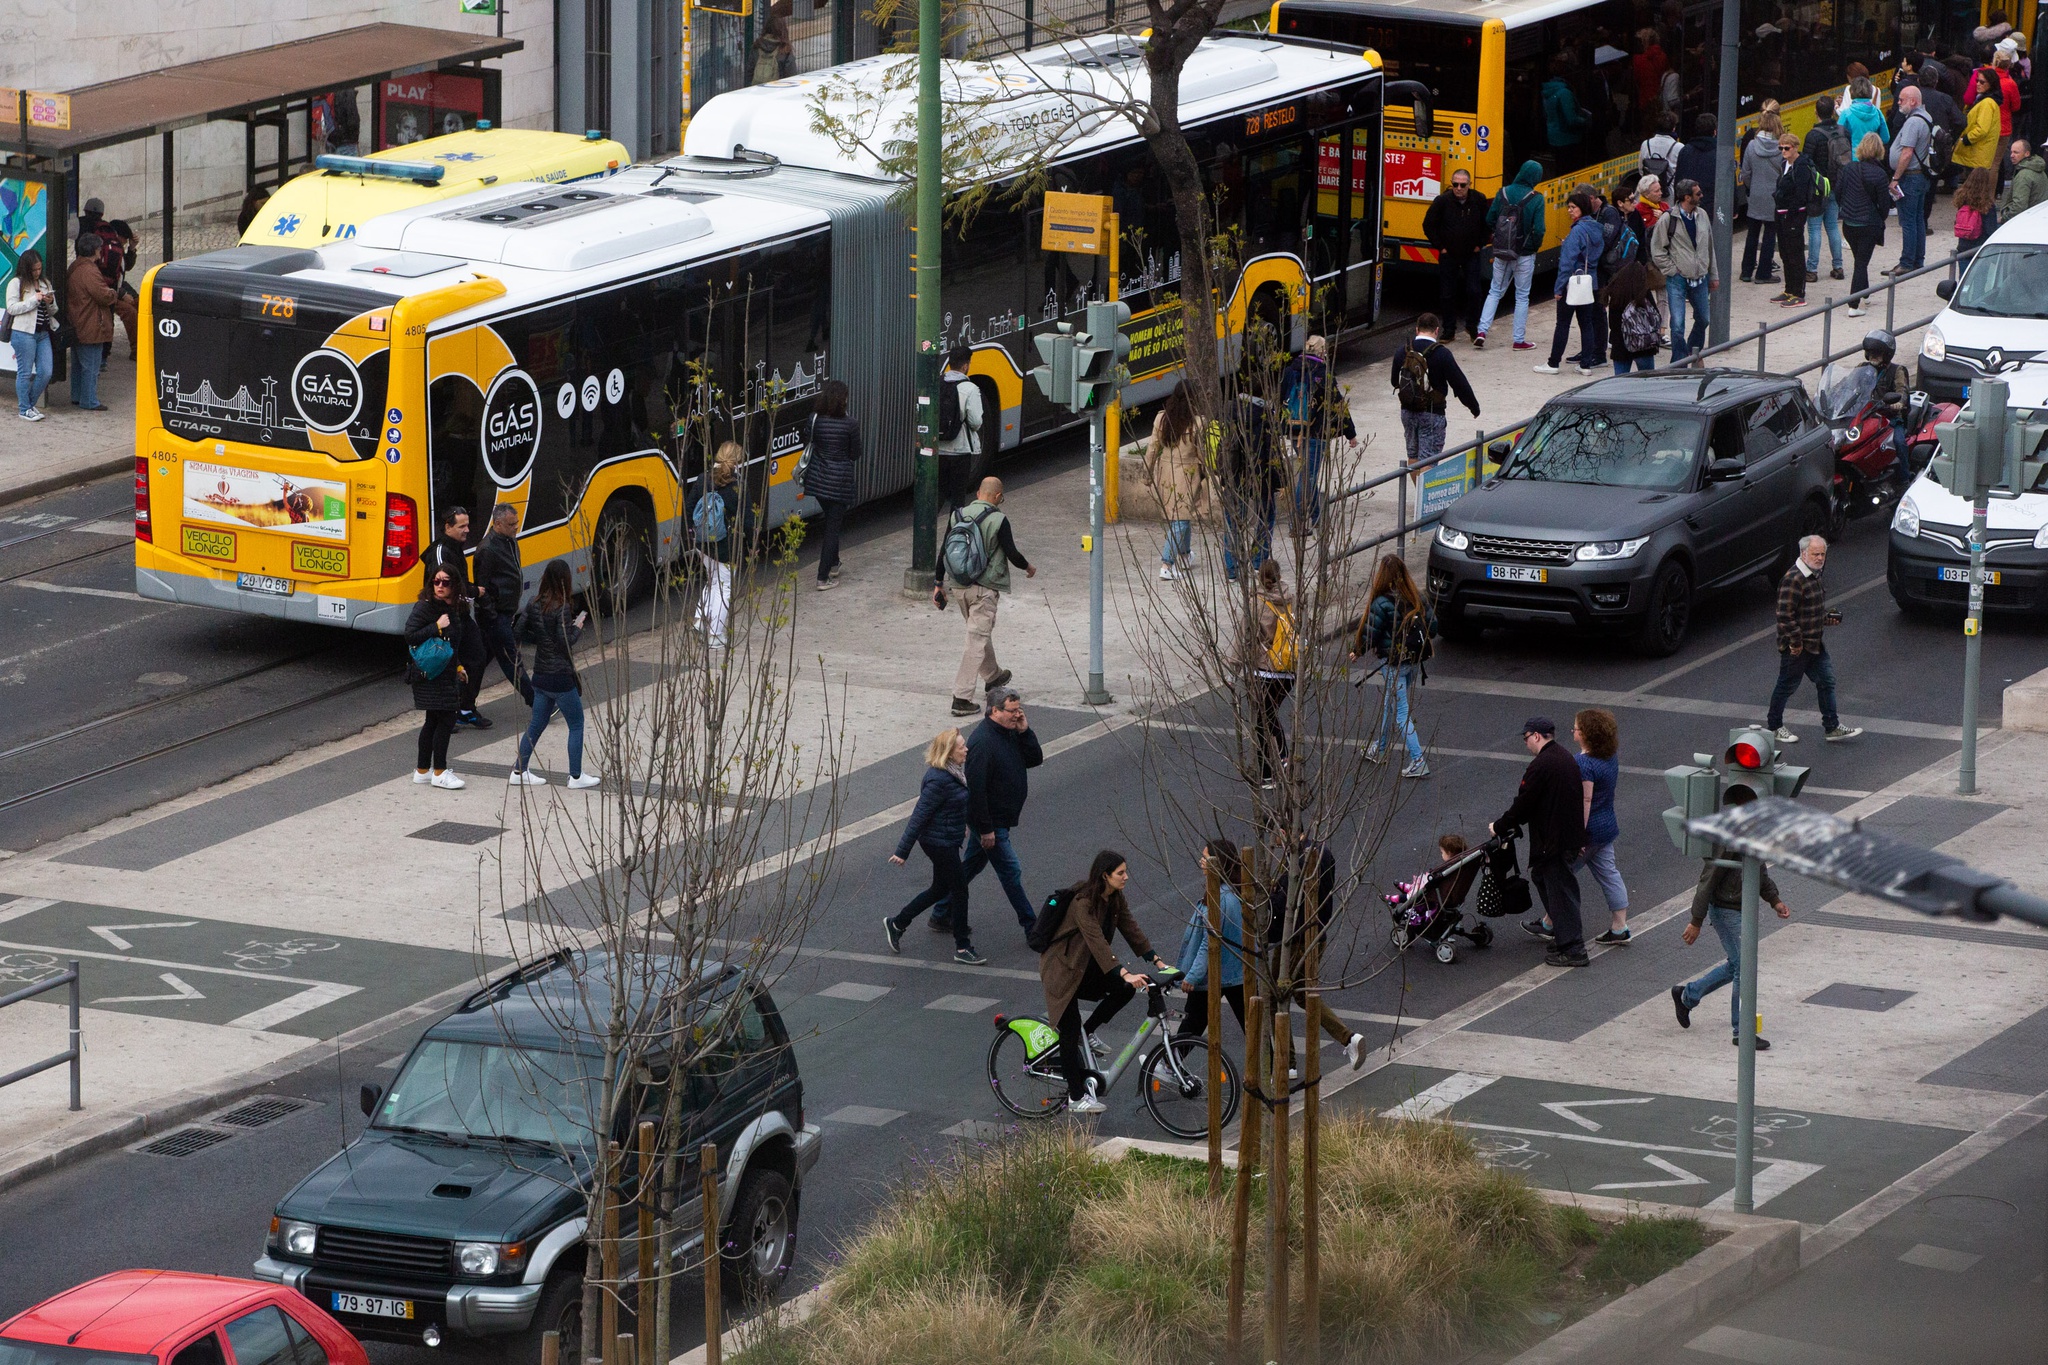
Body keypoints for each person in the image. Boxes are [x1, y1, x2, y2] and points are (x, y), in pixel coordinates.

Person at [1039, 850, 1170, 1113]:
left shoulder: (1114, 898)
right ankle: (1076, 1098)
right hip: (1062, 970)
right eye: (1120, 873)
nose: (1126, 877)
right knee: (1070, 1027)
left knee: (1123, 991)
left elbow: (1130, 927)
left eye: (1125, 871)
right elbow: (1096, 942)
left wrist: (1156, 960)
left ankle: (1087, 1033)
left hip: (1083, 969)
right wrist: (1124, 972)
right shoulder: (1083, 902)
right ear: (1105, 875)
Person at [1671, 788, 1792, 1049]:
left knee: (1737, 965)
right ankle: (1742, 1031)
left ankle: (1686, 996)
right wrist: (1696, 920)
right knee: (1745, 967)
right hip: (1725, 909)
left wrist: (1775, 900)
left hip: (1741, 908)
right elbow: (1708, 879)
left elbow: (1759, 871)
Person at [1490, 717, 1588, 967]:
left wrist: (1500, 826)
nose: (1526, 744)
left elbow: (1523, 803)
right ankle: (1565, 936)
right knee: (1543, 878)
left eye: (1526, 739)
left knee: (1560, 890)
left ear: (1536, 736)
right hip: (1567, 836)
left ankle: (1573, 948)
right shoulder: (1564, 757)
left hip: (1553, 841)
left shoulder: (1541, 765)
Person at [933, 476, 1034, 717]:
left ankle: (993, 676)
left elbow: (945, 549)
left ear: (978, 493)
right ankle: (961, 697)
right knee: (975, 641)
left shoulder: (957, 515)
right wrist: (1028, 567)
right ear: (998, 497)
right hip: (984, 589)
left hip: (959, 587)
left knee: (978, 633)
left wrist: (938, 584)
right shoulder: (999, 519)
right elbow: (1012, 553)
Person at [884, 727, 979, 964]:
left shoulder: (953, 772)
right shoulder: (939, 779)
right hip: (939, 843)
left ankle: (897, 923)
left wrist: (962, 825)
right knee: (959, 890)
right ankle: (962, 948)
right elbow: (919, 816)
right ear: (948, 752)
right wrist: (902, 851)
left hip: (946, 837)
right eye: (961, 746)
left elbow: (953, 806)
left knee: (939, 888)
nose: (966, 749)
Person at [955, 686, 1043, 933]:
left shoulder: (1011, 732)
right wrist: (985, 829)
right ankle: (1031, 926)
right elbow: (975, 791)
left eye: (1019, 710)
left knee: (970, 866)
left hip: (1000, 819)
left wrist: (1025, 731)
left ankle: (941, 911)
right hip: (992, 822)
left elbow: (1035, 759)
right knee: (1010, 871)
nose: (1017, 715)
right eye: (1012, 711)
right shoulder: (983, 743)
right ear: (995, 710)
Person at [1766, 535, 1864, 745]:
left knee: (1826, 681)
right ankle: (1774, 727)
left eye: (1823, 554)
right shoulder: (1793, 579)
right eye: (1816, 554)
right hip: (1798, 647)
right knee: (1786, 686)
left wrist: (1828, 619)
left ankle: (1832, 727)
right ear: (1803, 554)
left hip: (1814, 645)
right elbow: (1784, 615)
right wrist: (1795, 642)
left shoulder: (1813, 574)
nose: (1820, 558)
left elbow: (1809, 613)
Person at [510, 560, 598, 789]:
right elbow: (565, 642)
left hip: (539, 674)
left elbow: (518, 631)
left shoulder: (533, 603)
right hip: (559, 675)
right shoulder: (563, 607)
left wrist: (540, 636)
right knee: (577, 724)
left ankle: (519, 770)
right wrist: (577, 627)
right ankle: (576, 776)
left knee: (536, 724)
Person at [1350, 552, 1434, 779]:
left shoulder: (1381, 603)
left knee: (1401, 714)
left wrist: (1356, 651)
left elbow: (1371, 634)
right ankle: (1380, 747)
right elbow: (1433, 628)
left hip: (1392, 664)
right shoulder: (1417, 597)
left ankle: (1418, 760)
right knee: (1390, 703)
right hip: (1414, 662)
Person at [421, 506, 494, 730]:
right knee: (445, 665)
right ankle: (446, 713)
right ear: (448, 527)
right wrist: (474, 591)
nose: (467, 530)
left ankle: (465, 708)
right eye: (461, 526)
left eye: (467, 524)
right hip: (445, 616)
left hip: (459, 613)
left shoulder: (454, 547)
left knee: (477, 657)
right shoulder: (442, 551)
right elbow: (445, 584)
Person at [405, 565, 475, 789]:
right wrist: (436, 626)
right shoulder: (425, 607)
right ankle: (440, 771)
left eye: (445, 582)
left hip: (444, 672)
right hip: (431, 674)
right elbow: (410, 635)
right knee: (445, 720)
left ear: (454, 585)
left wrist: (458, 667)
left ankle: (423, 770)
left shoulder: (453, 608)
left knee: (433, 720)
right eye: (436, 581)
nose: (440, 586)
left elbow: (452, 644)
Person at [1173, 840, 1248, 1041]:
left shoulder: (1219, 898)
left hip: (1215, 972)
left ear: (1219, 863)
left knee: (1193, 1021)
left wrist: (1192, 976)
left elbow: (1209, 942)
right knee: (1250, 1023)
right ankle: (1270, 1067)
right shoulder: (1236, 891)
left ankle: (1170, 1064)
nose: (1201, 861)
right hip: (1238, 971)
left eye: (1205, 858)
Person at [1389, 312, 1480, 471]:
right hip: (1432, 413)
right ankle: (1424, 495)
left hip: (1408, 412)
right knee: (1428, 459)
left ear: (1417, 330)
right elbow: (1459, 384)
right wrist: (1473, 407)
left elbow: (1394, 381)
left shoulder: (1402, 352)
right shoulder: (1442, 354)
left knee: (1413, 456)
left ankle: (1418, 493)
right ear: (1437, 331)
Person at [1279, 335, 1352, 533]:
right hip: (1315, 432)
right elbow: (1338, 404)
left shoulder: (1290, 371)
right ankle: (1297, 524)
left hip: (1294, 430)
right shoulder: (1322, 372)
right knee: (1307, 478)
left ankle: (1318, 517)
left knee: (1307, 475)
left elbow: (1281, 399)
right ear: (1321, 351)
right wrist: (1350, 433)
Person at [1573, 708, 1631, 944]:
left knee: (1558, 877)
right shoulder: (1610, 756)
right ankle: (1620, 927)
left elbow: (1585, 800)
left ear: (1586, 734)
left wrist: (1578, 835)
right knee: (1610, 875)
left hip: (1588, 832)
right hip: (1606, 826)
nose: (1573, 731)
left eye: (1576, 728)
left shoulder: (1583, 763)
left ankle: (1554, 924)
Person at [1476, 159, 1546, 350]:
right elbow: (1539, 230)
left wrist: (1500, 238)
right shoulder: (1536, 198)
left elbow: (1490, 219)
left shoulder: (1503, 192)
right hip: (1524, 254)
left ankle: (1481, 331)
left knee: (1494, 291)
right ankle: (1518, 340)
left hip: (1501, 252)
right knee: (1522, 296)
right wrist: (1533, 246)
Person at [1535, 191, 1605, 376]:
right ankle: (1585, 365)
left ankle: (1553, 363)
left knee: (1563, 323)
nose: (1569, 211)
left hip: (1572, 283)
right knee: (1587, 324)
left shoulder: (1577, 231)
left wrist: (1558, 288)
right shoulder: (1596, 227)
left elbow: (1566, 263)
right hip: (1590, 282)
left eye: (1573, 207)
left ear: (1582, 208)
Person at [803, 378, 861, 590]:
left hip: (818, 481)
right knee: (832, 529)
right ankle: (822, 577)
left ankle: (834, 563)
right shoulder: (850, 424)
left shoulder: (814, 419)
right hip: (839, 483)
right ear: (843, 400)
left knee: (830, 520)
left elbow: (807, 443)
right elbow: (856, 454)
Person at [1651, 178, 1716, 362]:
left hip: (1701, 277)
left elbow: (1709, 247)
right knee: (1677, 325)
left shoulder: (1702, 215)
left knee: (1703, 318)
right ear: (1687, 197)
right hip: (1677, 279)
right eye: (1698, 193)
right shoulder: (1668, 219)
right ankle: (1679, 361)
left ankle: (1693, 352)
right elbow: (1657, 250)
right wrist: (1672, 270)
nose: (1702, 195)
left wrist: (1713, 274)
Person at [1422, 167, 1490, 341]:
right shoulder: (1442, 201)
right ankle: (1449, 330)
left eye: (1462, 185)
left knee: (1474, 291)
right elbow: (1428, 225)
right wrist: (1440, 247)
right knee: (1447, 293)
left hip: (1471, 254)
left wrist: (1479, 244)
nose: (1458, 188)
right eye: (1455, 184)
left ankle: (1471, 326)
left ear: (1469, 185)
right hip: (1449, 254)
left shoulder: (1479, 199)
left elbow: (1488, 223)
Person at [1146, 384, 1204, 580]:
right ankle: (1166, 564)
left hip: (1165, 472)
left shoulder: (1162, 418)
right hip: (1186, 474)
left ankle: (1185, 555)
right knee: (1180, 519)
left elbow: (1152, 448)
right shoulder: (1197, 423)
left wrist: (1148, 473)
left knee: (1182, 516)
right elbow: (1202, 454)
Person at [472, 503, 525, 697]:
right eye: (511, 524)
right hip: (495, 616)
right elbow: (481, 588)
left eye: (516, 523)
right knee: (512, 660)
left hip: (504, 612)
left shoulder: (509, 540)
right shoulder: (488, 550)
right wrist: (494, 617)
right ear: (498, 524)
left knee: (479, 661)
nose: (515, 527)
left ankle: (461, 703)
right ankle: (536, 702)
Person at [1250, 559, 1294, 790]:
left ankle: (1269, 772)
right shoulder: (1289, 597)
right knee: (1270, 714)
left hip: (1267, 668)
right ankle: (1283, 759)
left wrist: (1233, 665)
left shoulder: (1257, 602)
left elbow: (1244, 634)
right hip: (1289, 666)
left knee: (1263, 720)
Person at [694, 443, 743, 647]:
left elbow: (689, 506)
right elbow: (747, 519)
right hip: (724, 545)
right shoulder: (737, 486)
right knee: (725, 587)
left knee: (713, 581)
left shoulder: (701, 480)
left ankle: (700, 622)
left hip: (701, 542)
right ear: (737, 463)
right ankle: (715, 635)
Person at [1838, 133, 1894, 307]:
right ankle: (1853, 305)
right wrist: (1879, 217)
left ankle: (1865, 292)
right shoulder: (1880, 174)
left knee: (1859, 260)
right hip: (1868, 224)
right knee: (1861, 263)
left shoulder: (1848, 168)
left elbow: (1839, 193)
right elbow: (1884, 204)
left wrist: (1847, 208)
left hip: (1849, 224)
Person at [1886, 85, 1936, 277]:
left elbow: (1906, 153)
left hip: (1910, 177)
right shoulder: (1926, 117)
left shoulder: (1914, 122)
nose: (1898, 103)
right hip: (1920, 176)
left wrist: (1895, 178)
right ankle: (1917, 260)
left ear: (1913, 101)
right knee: (1917, 220)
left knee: (1908, 221)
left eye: (1901, 99)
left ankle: (1907, 262)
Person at [1802, 97, 1850, 283]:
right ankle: (1838, 266)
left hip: (1818, 188)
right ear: (1833, 111)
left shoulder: (1813, 135)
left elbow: (1806, 162)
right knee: (1832, 227)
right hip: (1837, 185)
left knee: (1814, 229)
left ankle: (1812, 270)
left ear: (1816, 112)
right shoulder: (1843, 131)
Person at [64, 234, 115, 412]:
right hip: (91, 324)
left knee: (79, 365)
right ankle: (89, 400)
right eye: (100, 249)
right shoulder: (89, 270)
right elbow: (103, 295)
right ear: (94, 250)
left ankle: (77, 396)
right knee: (91, 367)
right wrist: (115, 293)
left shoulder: (75, 266)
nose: (101, 252)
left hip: (78, 321)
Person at [6, 250, 58, 421]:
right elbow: (12, 307)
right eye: (34, 270)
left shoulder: (44, 283)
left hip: (43, 332)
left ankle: (28, 404)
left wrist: (50, 302)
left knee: (46, 371)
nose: (37, 272)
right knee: (25, 372)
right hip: (23, 332)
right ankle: (24, 409)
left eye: (39, 269)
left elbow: (53, 310)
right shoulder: (16, 283)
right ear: (27, 268)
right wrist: (34, 300)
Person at [1855, 328, 1914, 479]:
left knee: (1899, 443)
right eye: (1871, 352)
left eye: (1877, 353)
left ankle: (1904, 479)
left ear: (1887, 354)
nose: (1873, 356)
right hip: (1865, 416)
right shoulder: (1861, 368)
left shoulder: (1897, 370)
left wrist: (1899, 403)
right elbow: (1847, 385)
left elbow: (1902, 390)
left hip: (1889, 418)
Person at [935, 345, 984, 517]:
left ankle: (928, 529)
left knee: (939, 493)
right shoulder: (970, 389)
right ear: (965, 366)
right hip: (960, 451)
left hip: (939, 450)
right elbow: (976, 421)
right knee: (957, 500)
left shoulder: (936, 384)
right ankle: (952, 538)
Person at [1740, 112, 1785, 285]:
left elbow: (1745, 173)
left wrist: (1753, 188)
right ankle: (1763, 273)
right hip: (1774, 196)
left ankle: (1746, 271)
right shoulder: (1782, 147)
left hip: (1756, 194)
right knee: (1770, 234)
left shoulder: (1751, 145)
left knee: (1752, 233)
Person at [1773, 132, 1817, 306]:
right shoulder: (1784, 164)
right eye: (1781, 148)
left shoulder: (1802, 166)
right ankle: (1789, 289)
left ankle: (1799, 292)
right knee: (1784, 253)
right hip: (1781, 214)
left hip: (1794, 215)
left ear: (1795, 147)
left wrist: (1791, 216)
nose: (1783, 151)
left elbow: (1800, 194)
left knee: (1795, 254)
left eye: (1786, 148)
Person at [1602, 255, 1664, 373]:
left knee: (1620, 383)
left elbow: (1613, 324)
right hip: (1643, 345)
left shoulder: (1616, 294)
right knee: (1646, 381)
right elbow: (1656, 316)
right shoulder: (1644, 294)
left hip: (1621, 346)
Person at [1675, 113, 1722, 213]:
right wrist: (1734, 206)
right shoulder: (1721, 152)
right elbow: (1729, 181)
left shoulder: (1685, 151)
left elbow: (1679, 180)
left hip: (1690, 205)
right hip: (1715, 207)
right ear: (1714, 131)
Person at [1954, 165, 1998, 254]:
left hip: (1963, 248)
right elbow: (1991, 230)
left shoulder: (1962, 199)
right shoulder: (1988, 204)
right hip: (1980, 250)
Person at [2001, 138, 2048, 220]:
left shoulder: (2023, 176)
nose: (2012, 155)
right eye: (2011, 152)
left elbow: (2019, 207)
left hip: (2026, 219)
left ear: (2027, 153)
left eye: (2016, 152)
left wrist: (2003, 218)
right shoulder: (2038, 169)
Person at [1839, 77, 1889, 154]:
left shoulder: (1846, 114)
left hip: (1853, 159)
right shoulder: (1877, 112)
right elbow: (1885, 138)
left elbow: (1838, 140)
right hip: (1873, 158)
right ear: (1870, 91)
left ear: (1851, 92)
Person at [1640, 110, 1682, 185]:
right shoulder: (1679, 147)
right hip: (1670, 192)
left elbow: (1641, 169)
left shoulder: (1646, 144)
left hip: (1649, 192)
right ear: (1673, 128)